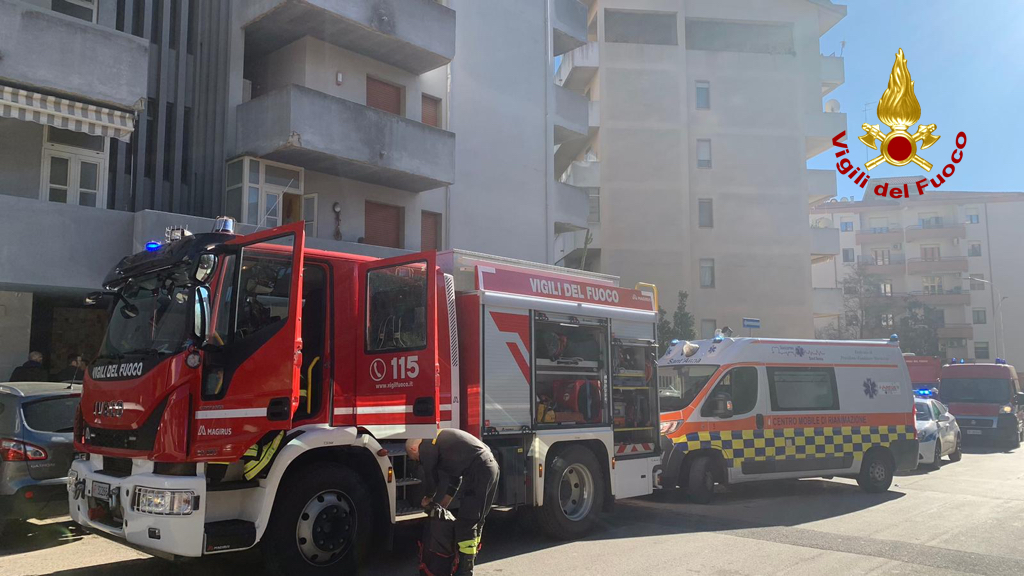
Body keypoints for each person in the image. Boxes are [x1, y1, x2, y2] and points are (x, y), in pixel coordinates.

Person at [407, 430, 499, 576]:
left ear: (413, 448)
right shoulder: (443, 445)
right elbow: (456, 478)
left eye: (416, 459)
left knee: (467, 523)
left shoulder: (426, 444)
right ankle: (467, 564)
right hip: (490, 467)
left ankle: (465, 571)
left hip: (479, 471)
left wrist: (428, 498)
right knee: (476, 521)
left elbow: (431, 477)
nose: (419, 461)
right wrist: (445, 501)